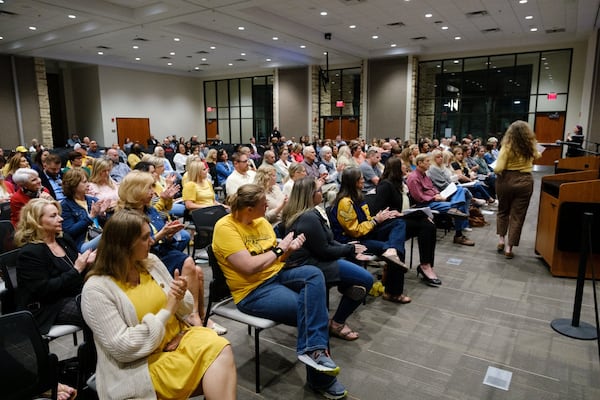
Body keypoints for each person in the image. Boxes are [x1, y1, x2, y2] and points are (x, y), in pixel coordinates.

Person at [81, 209, 236, 400]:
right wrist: (168, 309)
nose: (152, 241)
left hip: (177, 341)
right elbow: (124, 348)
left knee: (221, 346)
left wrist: (179, 296)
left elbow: (185, 310)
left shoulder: (150, 263)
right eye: (146, 237)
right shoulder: (96, 289)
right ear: (125, 244)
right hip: (139, 365)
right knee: (219, 368)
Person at [213, 184, 348, 399]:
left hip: (276, 275)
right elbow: (249, 267)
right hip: (252, 291)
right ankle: (320, 377)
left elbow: (276, 259)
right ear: (249, 208)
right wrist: (280, 249)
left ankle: (313, 352)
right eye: (263, 204)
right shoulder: (225, 228)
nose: (268, 207)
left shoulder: (260, 221)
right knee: (313, 309)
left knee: (314, 274)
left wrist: (289, 250)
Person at [117, 170, 226, 334]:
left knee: (198, 272)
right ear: (135, 191)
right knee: (190, 264)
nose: (153, 192)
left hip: (160, 252)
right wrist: (162, 234)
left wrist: (169, 233)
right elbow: (134, 248)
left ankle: (200, 316)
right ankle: (193, 316)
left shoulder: (150, 210)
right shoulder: (125, 217)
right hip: (143, 261)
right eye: (149, 188)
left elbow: (161, 235)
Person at [281, 177, 373, 340]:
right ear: (310, 195)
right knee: (366, 279)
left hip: (319, 259)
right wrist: (349, 249)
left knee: (357, 276)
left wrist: (349, 249)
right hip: (309, 265)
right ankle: (337, 323)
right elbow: (324, 250)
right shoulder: (308, 217)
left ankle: (345, 288)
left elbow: (328, 241)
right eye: (318, 190)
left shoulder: (312, 212)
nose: (322, 193)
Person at [329, 168, 411, 304]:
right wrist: (375, 221)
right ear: (354, 182)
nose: (363, 180)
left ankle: (392, 250)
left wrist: (380, 217)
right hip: (354, 241)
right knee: (396, 251)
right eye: (360, 178)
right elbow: (354, 231)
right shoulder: (345, 202)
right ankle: (393, 293)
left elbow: (366, 220)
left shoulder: (358, 196)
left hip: (367, 233)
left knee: (399, 222)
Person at [15, 198, 96, 334]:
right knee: (98, 311)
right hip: (48, 307)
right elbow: (45, 290)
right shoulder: (30, 253)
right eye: (53, 216)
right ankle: (94, 352)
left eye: (58, 214)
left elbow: (77, 273)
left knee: (110, 298)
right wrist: (77, 269)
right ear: (36, 221)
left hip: (73, 294)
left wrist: (88, 264)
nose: (61, 219)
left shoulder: (63, 239)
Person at [372, 157, 440, 286]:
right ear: (396, 168)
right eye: (403, 165)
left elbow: (408, 205)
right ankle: (425, 266)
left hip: (401, 219)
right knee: (425, 226)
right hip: (389, 224)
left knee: (429, 225)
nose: (406, 167)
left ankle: (426, 264)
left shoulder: (400, 183)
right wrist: (395, 213)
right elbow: (378, 210)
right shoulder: (386, 185)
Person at [494, 120, 541, 258]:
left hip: (506, 180)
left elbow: (499, 168)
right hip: (525, 181)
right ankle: (509, 248)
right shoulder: (530, 146)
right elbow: (537, 156)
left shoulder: (507, 146)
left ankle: (501, 240)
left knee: (503, 211)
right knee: (518, 215)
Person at [407, 154, 475, 246]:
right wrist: (434, 197)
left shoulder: (424, 174)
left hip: (435, 198)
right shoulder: (413, 178)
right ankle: (458, 235)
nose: (429, 164)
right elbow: (419, 197)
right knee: (459, 205)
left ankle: (454, 208)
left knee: (460, 189)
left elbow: (432, 187)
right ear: (420, 163)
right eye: (427, 161)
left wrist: (437, 194)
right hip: (426, 203)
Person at [60, 168, 110, 252]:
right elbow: (69, 232)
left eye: (87, 181)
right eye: (84, 182)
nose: (88, 185)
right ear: (73, 185)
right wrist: (90, 217)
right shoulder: (65, 205)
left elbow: (104, 226)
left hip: (98, 235)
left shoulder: (93, 200)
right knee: (111, 234)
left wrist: (102, 214)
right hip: (82, 244)